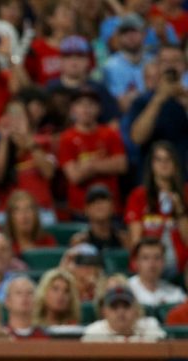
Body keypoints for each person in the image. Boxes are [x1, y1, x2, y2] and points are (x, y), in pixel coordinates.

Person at [58, 88, 127, 220]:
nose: (86, 108)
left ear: (99, 108)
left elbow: (121, 165)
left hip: (111, 208)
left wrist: (90, 165)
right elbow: (74, 176)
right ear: (73, 109)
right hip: (80, 209)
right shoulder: (67, 138)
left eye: (91, 104)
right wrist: (105, 164)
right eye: (81, 104)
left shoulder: (109, 133)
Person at [124, 141, 188, 276]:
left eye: (168, 159)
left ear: (175, 164)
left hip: (182, 266)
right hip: (148, 263)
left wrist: (180, 211)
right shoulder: (139, 196)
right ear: (151, 165)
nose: (163, 164)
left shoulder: (186, 193)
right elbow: (136, 240)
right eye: (158, 159)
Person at [127, 45, 188, 179]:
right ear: (158, 66)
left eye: (176, 61)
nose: (170, 66)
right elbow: (137, 138)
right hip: (151, 181)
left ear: (184, 66)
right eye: (165, 61)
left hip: (183, 178)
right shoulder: (142, 101)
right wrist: (159, 99)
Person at [0, 100, 57, 221]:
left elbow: (49, 172)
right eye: (10, 116)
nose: (15, 121)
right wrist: (4, 139)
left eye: (20, 116)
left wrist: (28, 140)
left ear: (28, 120)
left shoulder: (44, 143)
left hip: (40, 210)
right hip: (7, 213)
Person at [45, 36, 120, 123]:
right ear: (60, 60)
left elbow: (113, 122)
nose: (74, 61)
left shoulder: (99, 89)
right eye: (68, 56)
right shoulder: (50, 88)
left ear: (88, 61)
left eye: (79, 56)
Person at [82, 285, 166, 342]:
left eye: (126, 306)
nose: (120, 312)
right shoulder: (94, 333)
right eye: (114, 307)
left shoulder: (150, 328)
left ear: (136, 310)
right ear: (104, 311)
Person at [102, 14, 150, 112]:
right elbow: (123, 105)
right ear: (118, 37)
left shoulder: (154, 62)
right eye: (125, 32)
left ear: (144, 34)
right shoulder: (110, 66)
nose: (130, 36)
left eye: (134, 31)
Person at [24, 0, 77, 85]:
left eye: (71, 13)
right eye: (65, 13)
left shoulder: (80, 45)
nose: (70, 16)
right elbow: (29, 79)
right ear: (50, 20)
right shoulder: (37, 47)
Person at [128, 238, 187, 306]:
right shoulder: (127, 289)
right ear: (136, 262)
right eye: (145, 258)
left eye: (157, 257)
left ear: (163, 262)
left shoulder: (176, 294)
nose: (152, 263)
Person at [71, 184, 129, 250]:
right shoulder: (80, 241)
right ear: (86, 210)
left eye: (103, 199)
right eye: (93, 201)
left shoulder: (124, 240)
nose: (99, 204)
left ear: (113, 207)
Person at [4, 190, 57, 256]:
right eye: (18, 210)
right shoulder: (4, 247)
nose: (24, 215)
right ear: (10, 217)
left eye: (29, 209)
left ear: (36, 214)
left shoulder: (48, 242)